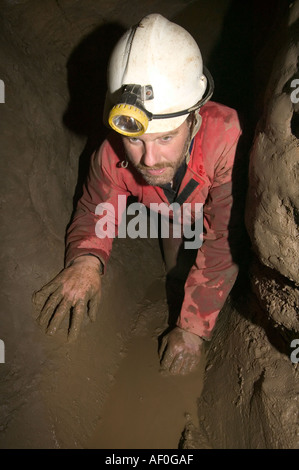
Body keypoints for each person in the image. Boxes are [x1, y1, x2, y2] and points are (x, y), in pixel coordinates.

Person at [32, 13, 242, 376]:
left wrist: (193, 329)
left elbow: (223, 237)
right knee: (176, 269)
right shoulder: (112, 154)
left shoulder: (226, 139)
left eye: (165, 138)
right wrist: (87, 260)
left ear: (192, 118)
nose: (149, 159)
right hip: (168, 217)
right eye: (135, 140)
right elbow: (97, 207)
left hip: (208, 209)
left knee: (211, 264)